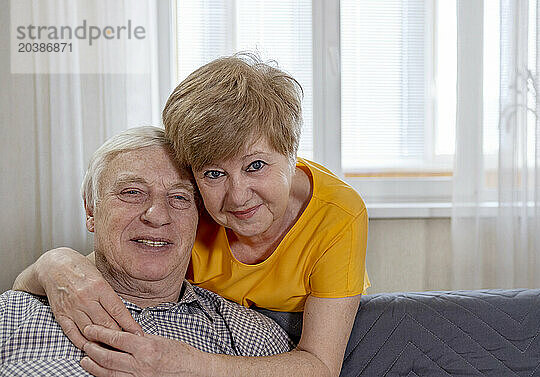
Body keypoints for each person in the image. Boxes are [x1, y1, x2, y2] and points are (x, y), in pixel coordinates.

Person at [14, 53, 369, 377]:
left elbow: (320, 364)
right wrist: (53, 262)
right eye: (213, 173)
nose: (237, 196)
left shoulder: (337, 217)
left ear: (293, 154)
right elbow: (111, 260)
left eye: (256, 166)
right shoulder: (189, 207)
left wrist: (184, 364)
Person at [3, 127, 292, 377]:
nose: (156, 215)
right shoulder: (12, 316)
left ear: (199, 218)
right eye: (132, 192)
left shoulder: (254, 341)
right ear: (91, 210)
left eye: (179, 197)